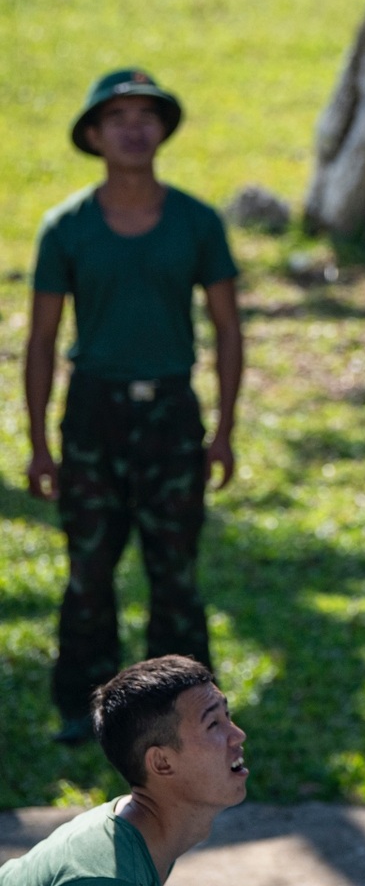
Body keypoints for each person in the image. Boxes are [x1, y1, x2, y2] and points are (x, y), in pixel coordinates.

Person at [25, 70, 243, 746]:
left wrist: (224, 432)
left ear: (163, 130)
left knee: (174, 571)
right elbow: (42, 341)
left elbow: (228, 331)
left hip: (172, 415)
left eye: (146, 114)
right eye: (116, 115)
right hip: (93, 414)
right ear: (93, 135)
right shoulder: (66, 227)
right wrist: (38, 442)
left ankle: (184, 716)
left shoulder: (197, 222)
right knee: (90, 570)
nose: (132, 126)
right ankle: (80, 706)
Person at [0, 655, 250, 886]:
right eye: (213, 724)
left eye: (227, 715)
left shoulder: (131, 831)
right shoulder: (113, 884)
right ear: (161, 763)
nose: (238, 735)